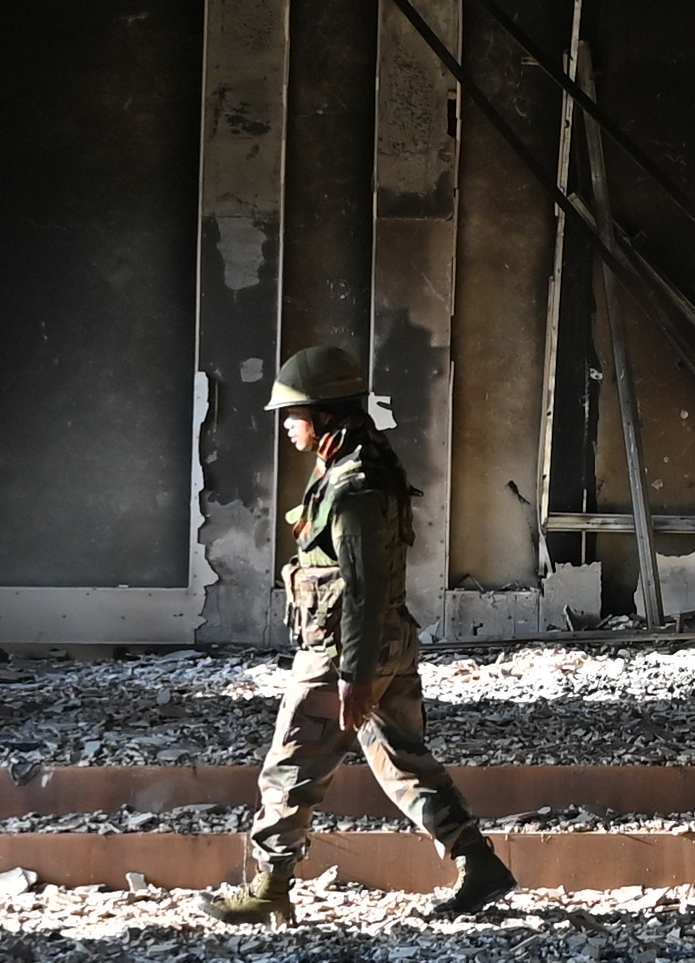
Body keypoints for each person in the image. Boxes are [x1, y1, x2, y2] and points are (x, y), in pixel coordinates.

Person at [204, 343, 516, 925]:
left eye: (294, 415)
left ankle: (270, 887)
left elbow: (364, 588)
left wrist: (353, 675)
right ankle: (479, 865)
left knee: (291, 767)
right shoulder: (358, 467)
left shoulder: (353, 486)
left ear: (324, 415)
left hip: (344, 650)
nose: (287, 427)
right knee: (404, 761)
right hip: (380, 642)